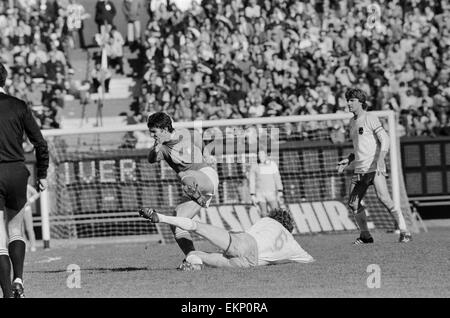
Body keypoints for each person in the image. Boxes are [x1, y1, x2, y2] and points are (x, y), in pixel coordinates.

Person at [336, 88, 412, 244]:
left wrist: (381, 158)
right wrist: (349, 159)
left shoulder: (370, 118)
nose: (348, 103)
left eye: (352, 100)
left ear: (361, 102)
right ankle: (365, 236)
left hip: (373, 168)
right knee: (353, 203)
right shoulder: (351, 122)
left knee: (384, 198)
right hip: (359, 169)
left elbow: (385, 139)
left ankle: (405, 232)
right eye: (348, 100)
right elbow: (359, 147)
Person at [145, 112, 219, 269]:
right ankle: (193, 259)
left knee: (184, 174)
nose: (152, 135)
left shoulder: (184, 134)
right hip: (194, 187)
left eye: (154, 132)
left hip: (206, 176)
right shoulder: (163, 149)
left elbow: (197, 136)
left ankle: (198, 195)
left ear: (165, 129)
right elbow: (151, 159)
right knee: (177, 221)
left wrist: (205, 153)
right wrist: (154, 148)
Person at [0, 62, 49, 298]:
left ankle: (7, 293)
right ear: (5, 80)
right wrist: (42, 174)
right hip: (17, 172)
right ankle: (19, 279)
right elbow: (40, 143)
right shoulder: (19, 106)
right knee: (16, 229)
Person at [138, 207, 314, 270]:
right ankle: (193, 266)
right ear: (289, 230)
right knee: (197, 256)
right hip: (248, 264)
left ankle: (161, 218)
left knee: (198, 228)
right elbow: (310, 260)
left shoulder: (268, 221)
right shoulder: (294, 245)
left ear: (276, 217)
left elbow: (246, 236)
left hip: (246, 245)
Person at [248, 148, 284, 217]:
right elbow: (252, 181)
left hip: (271, 193)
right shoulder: (254, 166)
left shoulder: (272, 164)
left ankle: (276, 227)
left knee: (276, 213)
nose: (260, 156)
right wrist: (252, 194)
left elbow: (277, 178)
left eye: (262, 154)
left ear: (266, 155)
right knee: (264, 214)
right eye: (259, 155)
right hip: (260, 194)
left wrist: (280, 190)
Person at [23, 185, 39, 252]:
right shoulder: (14, 185)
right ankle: (24, 246)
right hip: (18, 211)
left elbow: (36, 194)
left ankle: (33, 246)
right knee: (21, 230)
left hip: (27, 209)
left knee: (29, 228)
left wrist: (30, 200)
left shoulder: (27, 186)